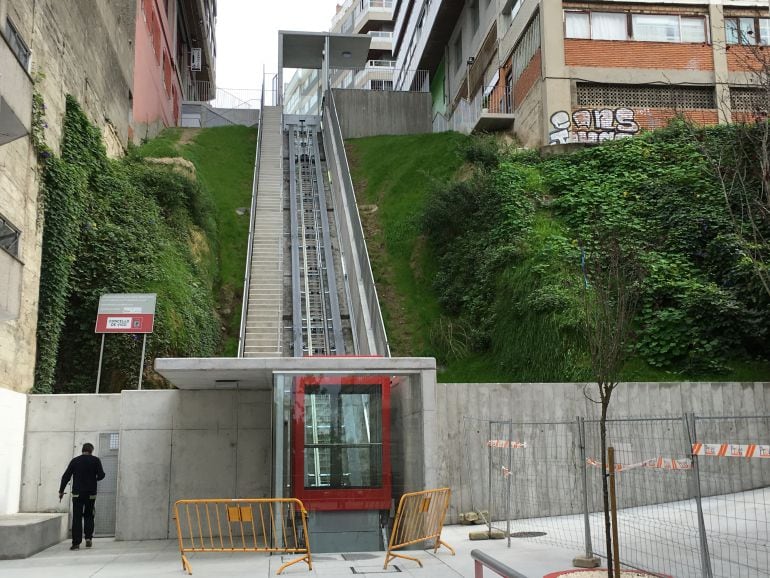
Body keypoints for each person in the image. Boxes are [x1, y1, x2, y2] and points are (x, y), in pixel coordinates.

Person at [59, 443, 106, 550]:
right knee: (89, 515)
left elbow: (65, 476)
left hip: (77, 494)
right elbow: (102, 475)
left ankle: (76, 543)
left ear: (82, 450)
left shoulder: (75, 461)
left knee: (77, 517)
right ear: (91, 450)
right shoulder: (96, 460)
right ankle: (88, 538)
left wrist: (61, 491)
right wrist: (94, 479)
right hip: (91, 494)